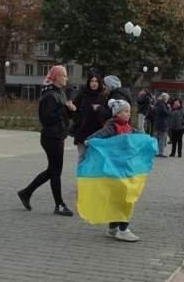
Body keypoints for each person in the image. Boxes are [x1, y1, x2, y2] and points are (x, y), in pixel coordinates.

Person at [17, 65, 76, 216]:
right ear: (55, 77)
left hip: (58, 135)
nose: (66, 78)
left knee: (52, 170)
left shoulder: (59, 93)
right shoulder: (49, 95)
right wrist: (64, 109)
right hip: (51, 137)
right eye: (64, 75)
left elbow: (62, 115)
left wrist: (70, 110)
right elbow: (46, 118)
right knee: (55, 172)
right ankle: (59, 205)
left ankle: (26, 192)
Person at [86, 99, 140, 242]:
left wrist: (148, 141)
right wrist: (90, 141)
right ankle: (123, 229)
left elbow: (140, 137)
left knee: (119, 198)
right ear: (117, 114)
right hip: (115, 170)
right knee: (125, 199)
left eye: (129, 111)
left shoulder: (128, 127)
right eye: (125, 111)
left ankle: (113, 228)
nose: (128, 114)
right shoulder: (112, 127)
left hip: (126, 168)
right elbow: (96, 136)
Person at [72, 74, 106, 163]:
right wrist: (79, 120)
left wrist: (100, 109)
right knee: (82, 156)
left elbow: (107, 113)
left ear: (99, 83)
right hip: (83, 132)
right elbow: (73, 109)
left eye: (96, 81)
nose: (94, 83)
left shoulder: (102, 97)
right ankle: (81, 176)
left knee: (94, 159)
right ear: (88, 83)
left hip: (97, 132)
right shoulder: (82, 95)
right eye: (92, 81)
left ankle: (91, 177)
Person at [153, 92, 171, 157]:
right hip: (162, 124)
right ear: (165, 98)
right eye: (167, 98)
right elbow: (166, 113)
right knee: (162, 139)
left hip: (157, 123)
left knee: (156, 139)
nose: (168, 100)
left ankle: (155, 152)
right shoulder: (162, 105)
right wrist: (168, 108)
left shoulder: (157, 103)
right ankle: (161, 153)